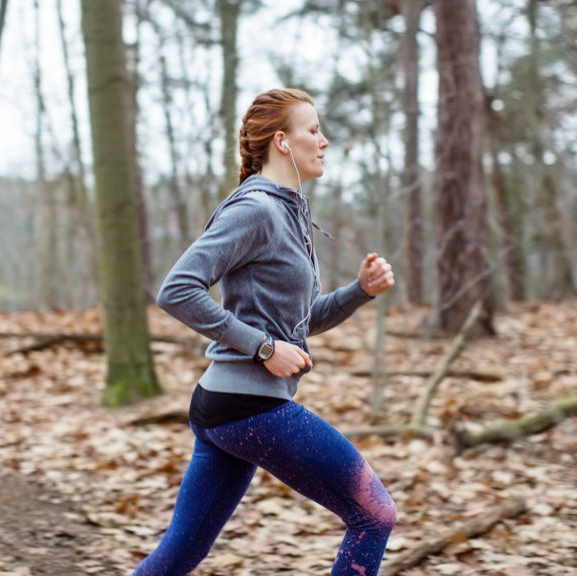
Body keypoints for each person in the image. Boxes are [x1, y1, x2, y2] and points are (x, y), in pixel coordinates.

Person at [133, 88, 397, 576]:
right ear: (281, 141)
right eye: (313, 129)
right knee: (374, 514)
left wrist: (359, 291)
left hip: (225, 408)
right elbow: (176, 290)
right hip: (249, 407)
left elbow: (298, 325)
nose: (324, 140)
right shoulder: (254, 209)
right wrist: (263, 348)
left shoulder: (288, 210)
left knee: (181, 554)